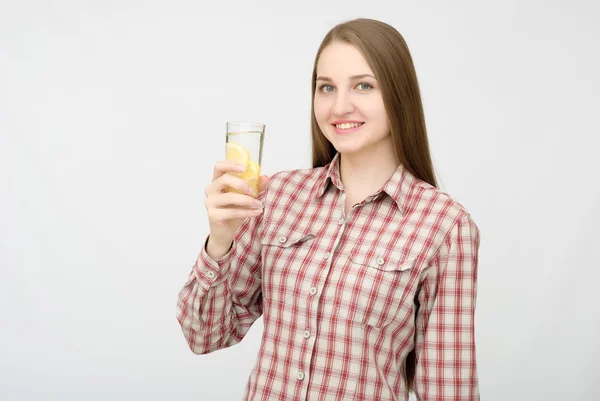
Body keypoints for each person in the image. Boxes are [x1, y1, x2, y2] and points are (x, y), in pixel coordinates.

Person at [176, 18, 481, 401]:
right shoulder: (278, 196)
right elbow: (204, 335)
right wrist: (220, 240)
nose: (339, 106)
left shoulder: (445, 226)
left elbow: (447, 389)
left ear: (399, 94)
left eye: (363, 86)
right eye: (326, 88)